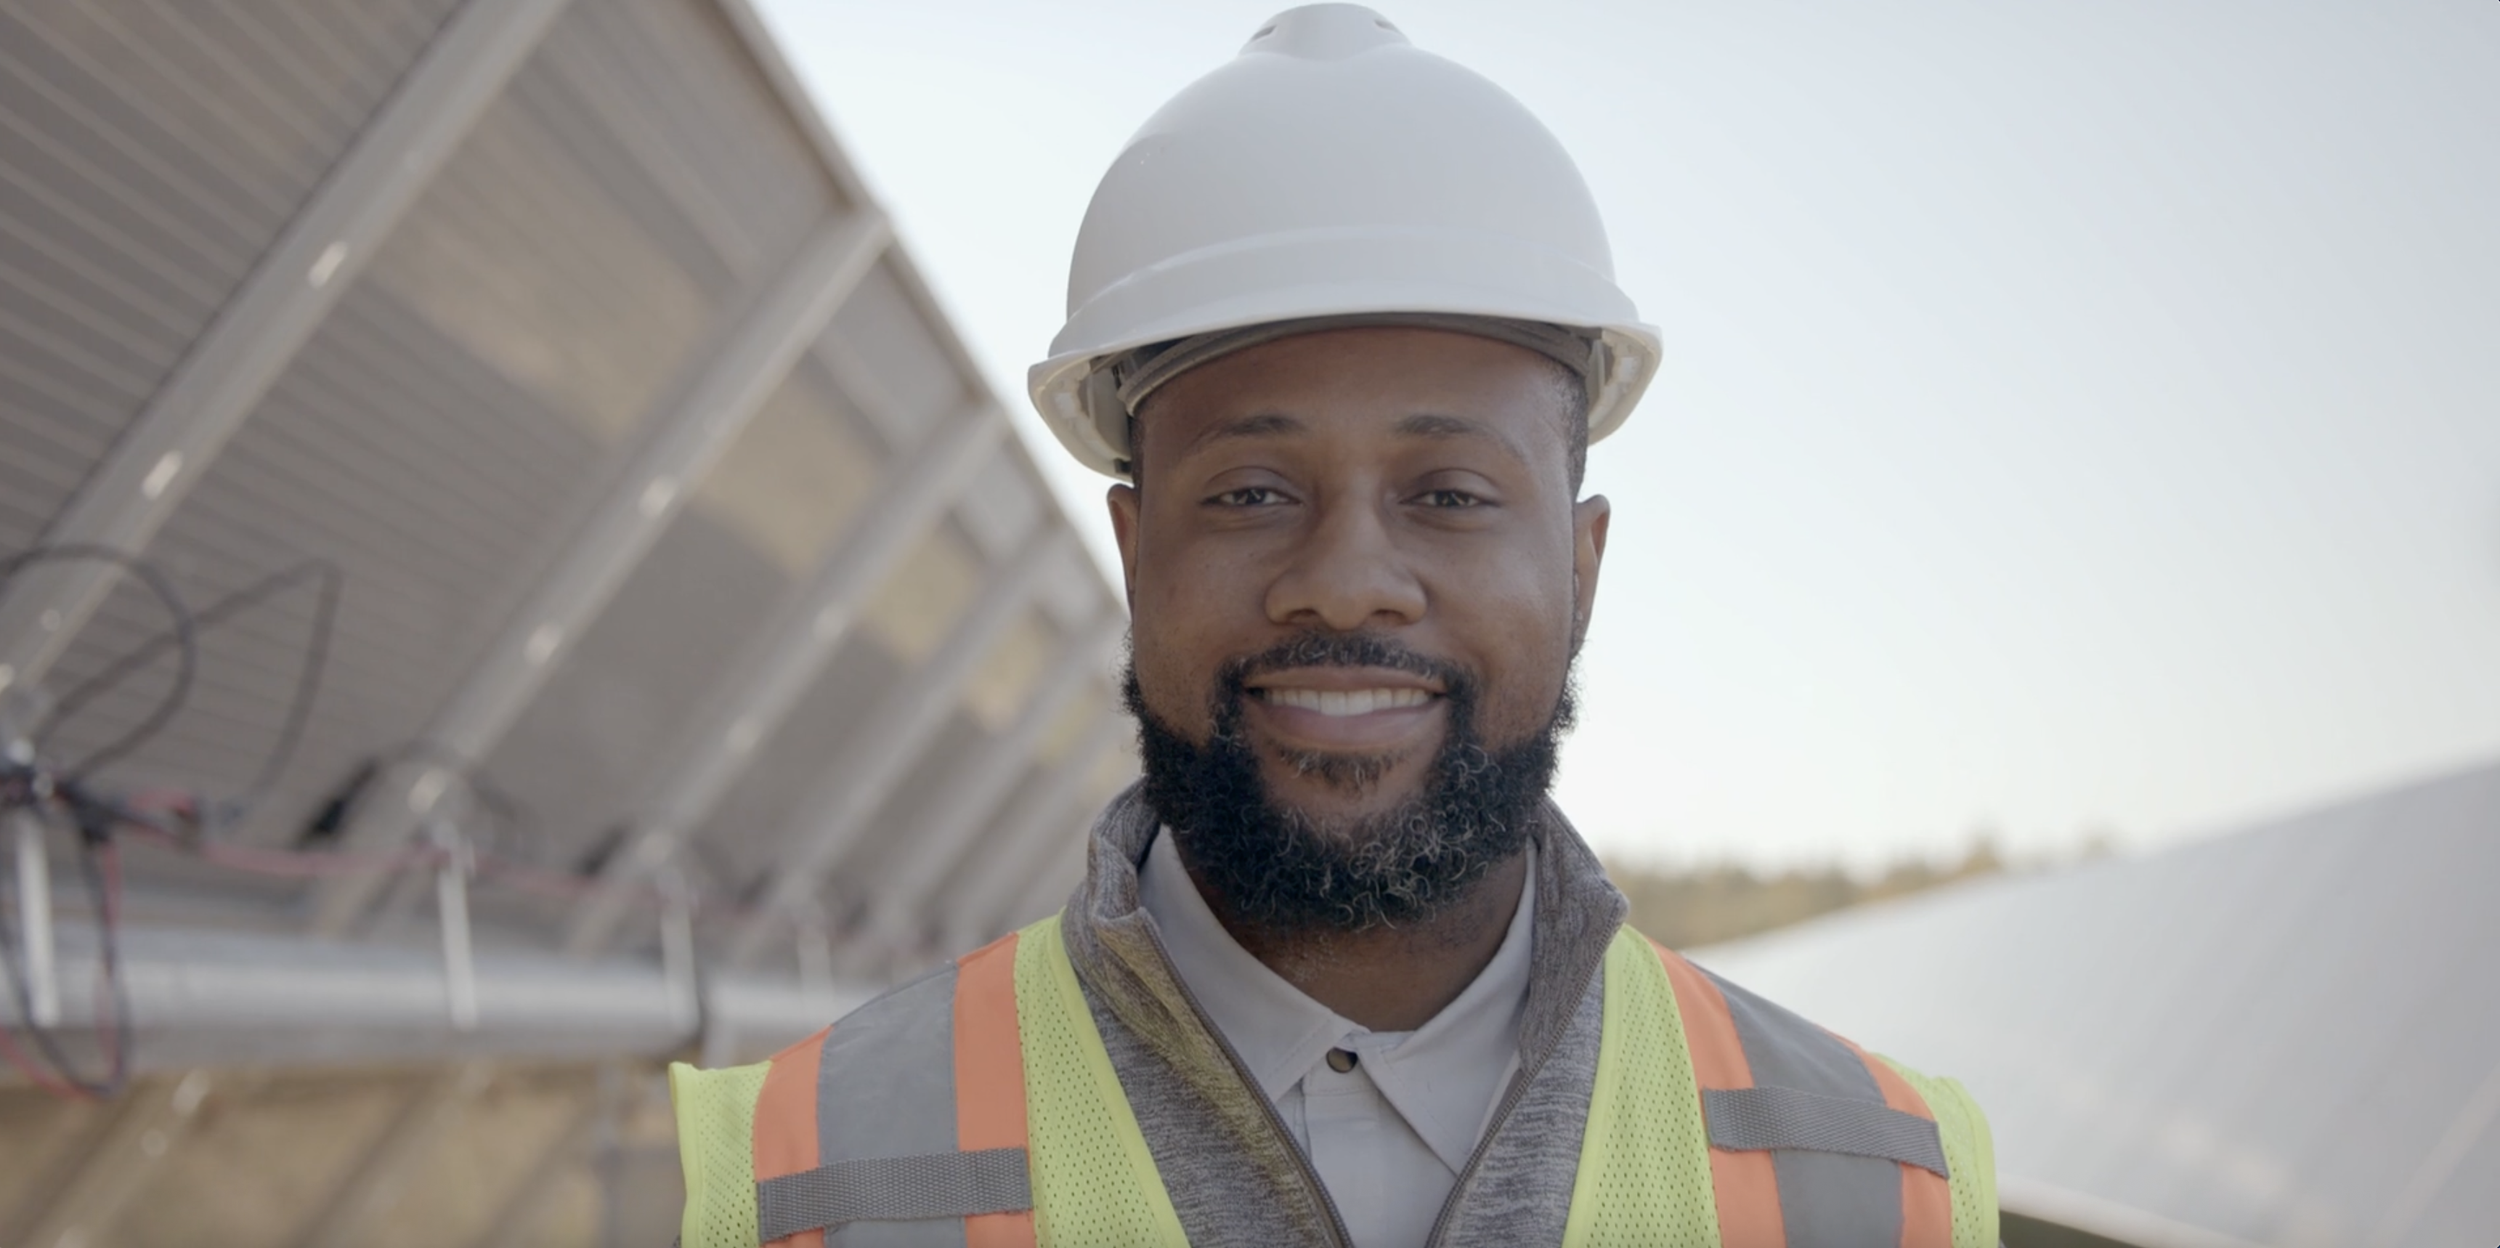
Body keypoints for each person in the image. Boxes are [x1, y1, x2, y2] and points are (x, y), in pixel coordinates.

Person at [670, 6, 1997, 1245]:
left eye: (1451, 494)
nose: (1349, 579)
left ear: (1583, 567)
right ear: (1136, 556)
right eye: (1252, 492)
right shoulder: (803, 1177)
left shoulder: (1881, 1183)